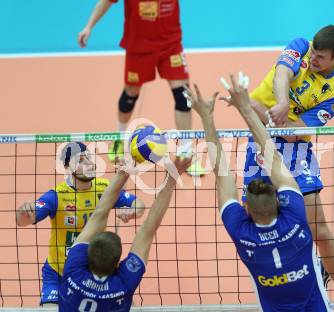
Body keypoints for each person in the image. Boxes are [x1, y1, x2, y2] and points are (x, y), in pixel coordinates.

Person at [184, 75, 333, 311]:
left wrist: (206, 117)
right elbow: (272, 157)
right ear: (278, 201)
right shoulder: (295, 214)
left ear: (247, 210)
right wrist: (245, 107)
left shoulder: (241, 232)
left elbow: (222, 173)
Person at [242, 24, 334, 307]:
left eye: (321, 58)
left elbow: (296, 130)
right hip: (260, 142)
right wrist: (281, 103)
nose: (313, 61)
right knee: (258, 230)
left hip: (294, 148)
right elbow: (282, 72)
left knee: (319, 231)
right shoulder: (301, 46)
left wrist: (257, 111)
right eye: (314, 54)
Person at [78, 0, 206, 175]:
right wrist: (89, 26)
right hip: (139, 46)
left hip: (170, 45)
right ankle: (119, 139)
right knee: (130, 94)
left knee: (183, 95)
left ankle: (185, 152)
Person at [16, 142, 145, 307]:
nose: (89, 164)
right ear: (67, 167)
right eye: (81, 160)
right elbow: (22, 221)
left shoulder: (104, 188)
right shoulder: (57, 196)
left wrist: (132, 211)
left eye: (89, 158)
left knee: (127, 306)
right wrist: (23, 213)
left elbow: (139, 204)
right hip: (59, 272)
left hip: (94, 271)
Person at [58, 155, 192, 311]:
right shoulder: (123, 285)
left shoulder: (73, 271)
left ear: (86, 255)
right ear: (118, 264)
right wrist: (172, 177)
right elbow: (148, 229)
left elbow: (98, 215)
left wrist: (122, 175)